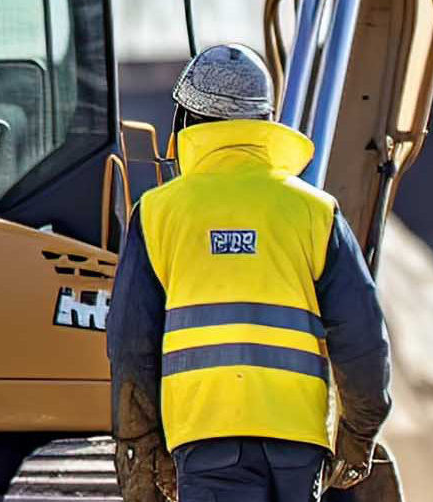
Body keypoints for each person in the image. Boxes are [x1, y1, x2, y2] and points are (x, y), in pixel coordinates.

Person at [107, 43, 391, 502]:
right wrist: (359, 432)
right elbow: (363, 338)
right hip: (298, 448)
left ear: (187, 122)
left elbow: (131, 344)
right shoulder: (315, 213)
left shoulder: (158, 214)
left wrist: (141, 443)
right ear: (265, 123)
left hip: (206, 444)